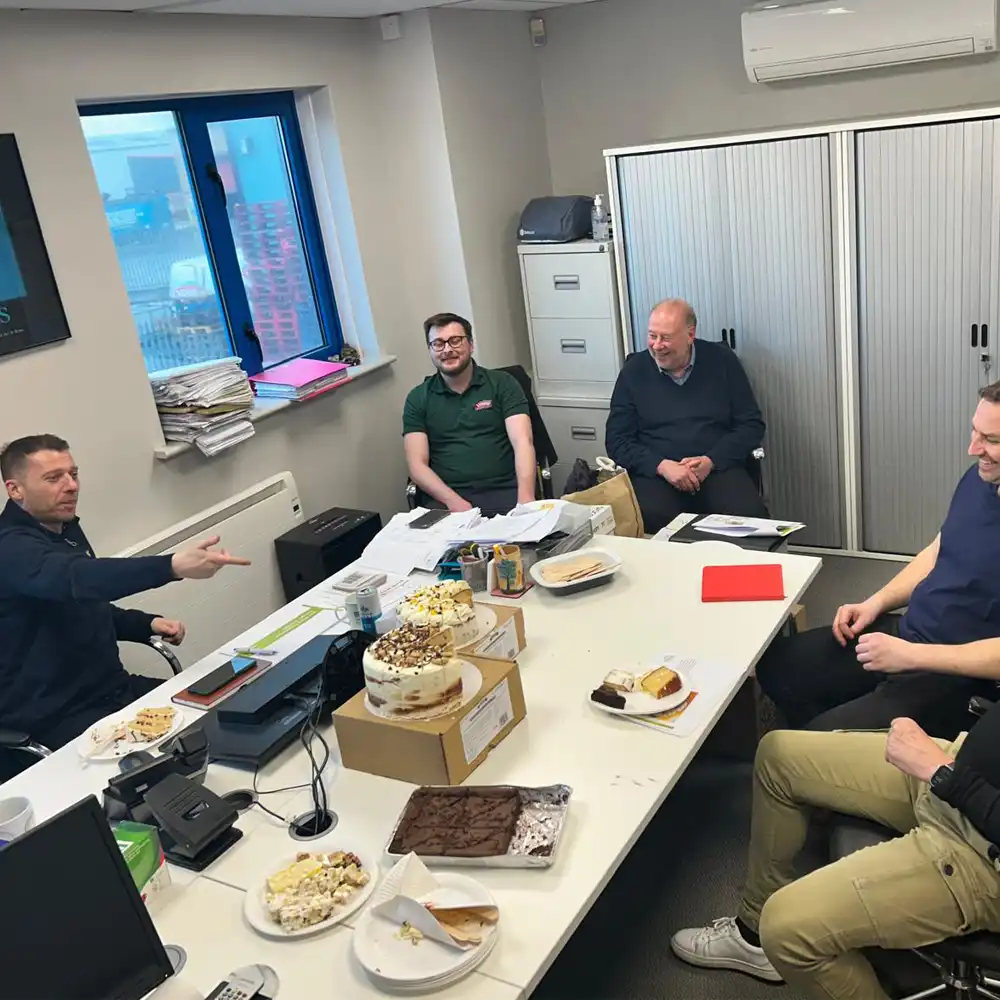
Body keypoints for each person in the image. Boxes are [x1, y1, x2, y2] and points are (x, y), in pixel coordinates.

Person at [671, 712, 1000, 1000]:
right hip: (964, 771)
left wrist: (944, 774)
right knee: (778, 756)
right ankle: (751, 936)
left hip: (980, 849)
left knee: (786, 928)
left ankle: (772, 936)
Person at [756, 381, 1000, 739]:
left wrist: (910, 657)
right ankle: (836, 729)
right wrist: (875, 603)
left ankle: (833, 742)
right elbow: (939, 551)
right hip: (910, 633)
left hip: (956, 675)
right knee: (777, 666)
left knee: (809, 743)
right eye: (974, 431)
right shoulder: (979, 479)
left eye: (991, 440)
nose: (973, 448)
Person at [0, 434, 250, 765]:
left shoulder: (62, 528)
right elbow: (76, 578)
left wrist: (142, 623)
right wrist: (173, 565)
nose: (71, 486)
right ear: (15, 489)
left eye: (73, 474)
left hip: (114, 692)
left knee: (229, 716)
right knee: (190, 762)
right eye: (53, 478)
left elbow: (78, 602)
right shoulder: (10, 547)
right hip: (56, 718)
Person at [605, 298, 768, 534]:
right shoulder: (634, 371)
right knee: (650, 516)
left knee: (750, 519)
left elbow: (751, 425)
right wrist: (662, 466)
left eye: (665, 337)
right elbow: (617, 440)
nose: (657, 345)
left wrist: (711, 461)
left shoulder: (723, 362)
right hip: (658, 473)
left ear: (690, 335)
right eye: (652, 336)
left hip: (716, 467)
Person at [403, 312, 536, 513]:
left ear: (471, 345)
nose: (447, 349)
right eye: (438, 344)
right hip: (446, 496)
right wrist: (452, 501)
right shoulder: (418, 398)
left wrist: (525, 498)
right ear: (430, 350)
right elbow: (417, 465)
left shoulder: (503, 384)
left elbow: (523, 442)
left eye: (455, 341)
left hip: (505, 489)